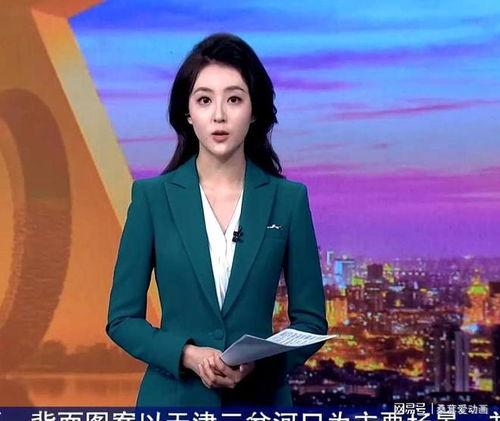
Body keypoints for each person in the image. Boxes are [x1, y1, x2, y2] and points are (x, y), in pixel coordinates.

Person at [106, 32, 328, 407]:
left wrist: (259, 364)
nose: (219, 115)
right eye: (204, 100)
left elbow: (311, 323)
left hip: (260, 402)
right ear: (187, 113)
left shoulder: (288, 200)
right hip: (173, 402)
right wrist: (187, 355)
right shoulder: (151, 199)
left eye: (234, 99)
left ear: (254, 111)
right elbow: (122, 320)